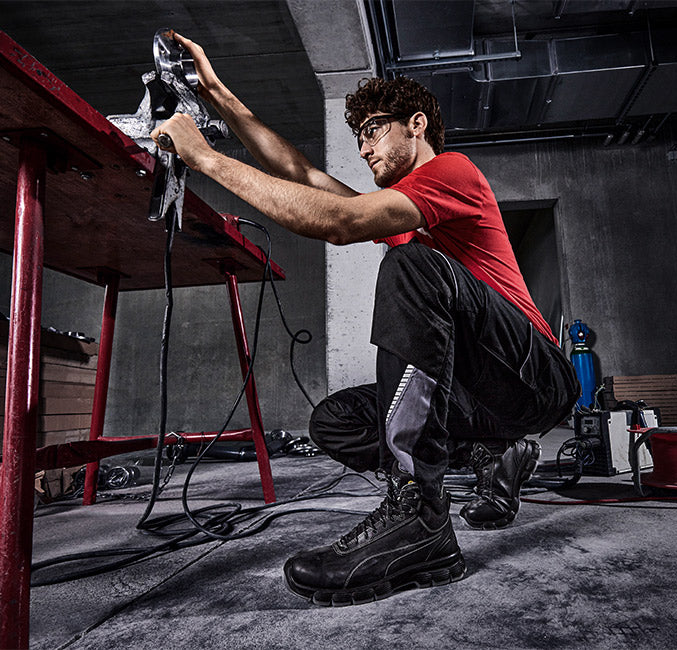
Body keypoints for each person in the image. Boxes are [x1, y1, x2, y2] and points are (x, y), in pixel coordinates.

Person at [149, 32, 575, 606]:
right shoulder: (401, 213)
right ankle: (490, 451)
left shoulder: (454, 171)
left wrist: (203, 157)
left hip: (538, 378)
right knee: (337, 422)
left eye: (374, 130)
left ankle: (419, 516)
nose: (365, 147)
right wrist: (217, 91)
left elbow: (339, 221)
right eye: (359, 137)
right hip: (482, 396)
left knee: (413, 266)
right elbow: (301, 174)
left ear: (415, 126)